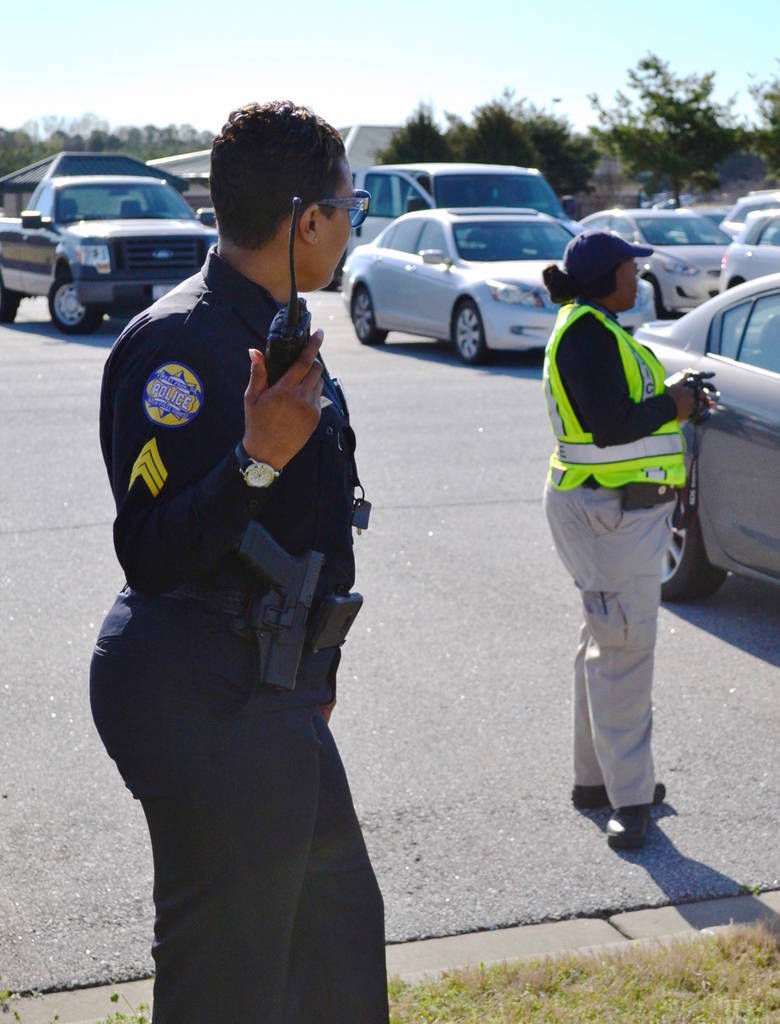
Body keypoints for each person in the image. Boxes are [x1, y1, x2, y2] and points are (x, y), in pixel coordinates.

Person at [90, 101, 388, 1023]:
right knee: (229, 974)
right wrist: (255, 459)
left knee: (335, 934)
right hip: (196, 689)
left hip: (271, 681)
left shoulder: (279, 319)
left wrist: (319, 666)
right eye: (352, 204)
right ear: (305, 220)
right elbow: (150, 549)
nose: (352, 224)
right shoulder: (180, 345)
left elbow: (313, 523)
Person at [541, 230, 698, 850]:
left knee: (604, 641)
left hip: (606, 511)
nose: (639, 278)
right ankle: (628, 801)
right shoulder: (585, 332)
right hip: (609, 514)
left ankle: (595, 782)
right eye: (632, 269)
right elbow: (610, 426)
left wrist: (673, 400)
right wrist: (677, 405)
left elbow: (614, 413)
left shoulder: (591, 324)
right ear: (608, 275)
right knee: (624, 649)